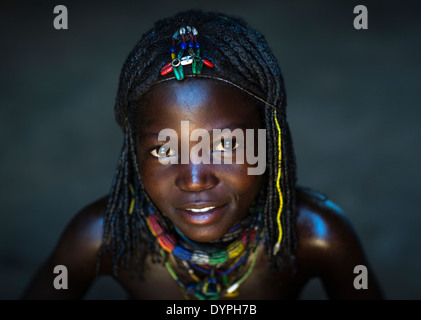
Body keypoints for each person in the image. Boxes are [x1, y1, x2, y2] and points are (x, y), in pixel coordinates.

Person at [22, 10, 383, 300]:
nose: (195, 179)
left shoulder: (316, 236)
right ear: (133, 153)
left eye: (225, 145)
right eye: (164, 149)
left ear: (268, 141)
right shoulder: (101, 237)